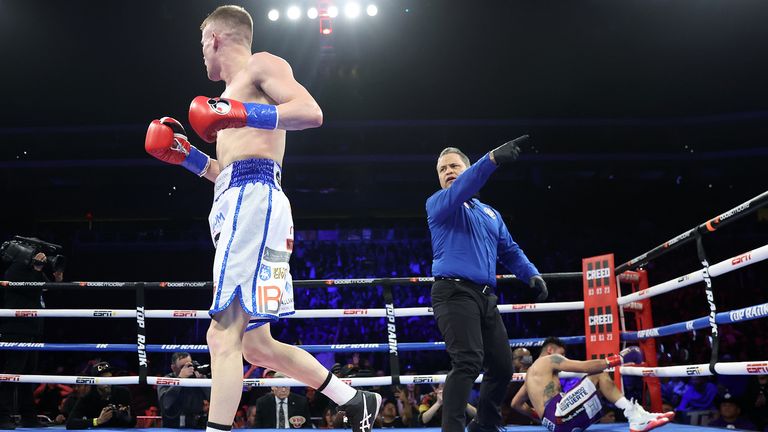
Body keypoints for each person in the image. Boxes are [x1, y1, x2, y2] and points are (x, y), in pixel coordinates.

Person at [143, 6, 380, 432]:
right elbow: (229, 169)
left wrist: (240, 113)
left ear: (215, 38)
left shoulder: (261, 65)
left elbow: (311, 111)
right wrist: (188, 157)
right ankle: (355, 400)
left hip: (254, 203)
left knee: (221, 335)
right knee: (255, 345)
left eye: (201, 44)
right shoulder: (228, 95)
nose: (201, 55)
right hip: (241, 200)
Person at [425, 138, 548, 432]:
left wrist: (531, 273)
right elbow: (463, 189)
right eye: (443, 169)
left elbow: (509, 250)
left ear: (467, 169)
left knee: (503, 367)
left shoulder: (490, 214)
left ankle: (485, 424)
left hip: (484, 297)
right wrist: (492, 158)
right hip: (452, 293)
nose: (448, 171)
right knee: (467, 361)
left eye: (455, 166)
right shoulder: (439, 204)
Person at [510, 337, 673, 432]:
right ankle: (633, 415)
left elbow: (515, 404)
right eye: (562, 353)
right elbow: (585, 367)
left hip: (557, 424)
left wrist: (542, 417)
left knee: (596, 389)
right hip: (560, 415)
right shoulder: (549, 360)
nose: (564, 357)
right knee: (599, 375)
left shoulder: (531, 375)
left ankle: (638, 414)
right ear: (551, 350)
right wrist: (616, 359)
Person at [0, 252, 50, 429]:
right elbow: (31, 287)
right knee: (11, 375)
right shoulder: (16, 268)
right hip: (16, 330)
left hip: (32, 331)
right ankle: (2, 416)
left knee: (28, 376)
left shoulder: (33, 270)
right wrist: (36, 268)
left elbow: (45, 287)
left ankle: (29, 416)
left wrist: (57, 273)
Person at [65, 362, 135, 429]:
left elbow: (133, 422)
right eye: (104, 379)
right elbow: (70, 423)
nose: (107, 383)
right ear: (96, 382)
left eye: (109, 378)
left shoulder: (123, 392)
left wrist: (127, 418)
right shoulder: (88, 396)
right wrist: (98, 421)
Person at [157, 352, 211, 428]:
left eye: (189, 365)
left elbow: (213, 399)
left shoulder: (197, 378)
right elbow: (165, 404)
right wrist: (180, 379)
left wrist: (202, 381)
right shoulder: (166, 379)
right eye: (182, 366)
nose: (187, 369)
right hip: (172, 427)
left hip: (197, 427)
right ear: (173, 368)